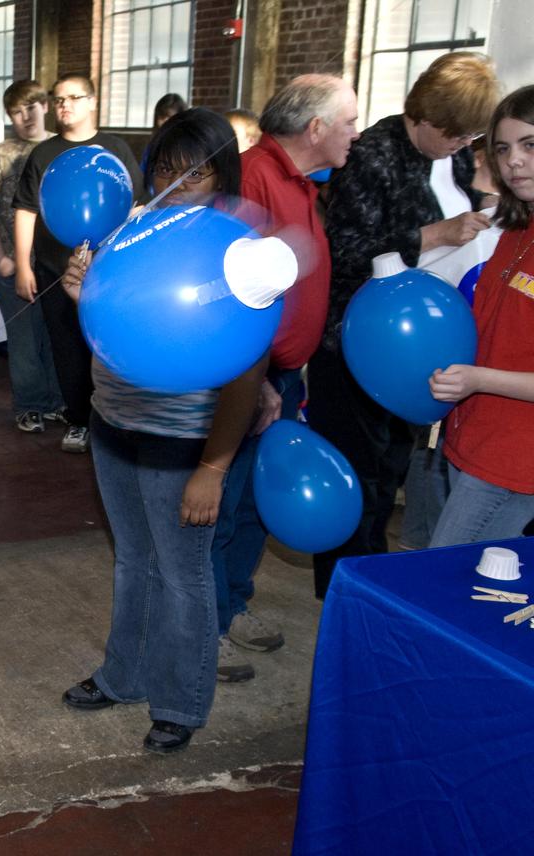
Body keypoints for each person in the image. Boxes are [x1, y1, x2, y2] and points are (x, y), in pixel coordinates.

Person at [59, 110, 266, 753]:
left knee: (184, 574)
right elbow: (115, 322)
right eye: (169, 169)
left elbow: (245, 375)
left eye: (197, 171)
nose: (179, 184)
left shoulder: (238, 253)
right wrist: (81, 293)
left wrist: (213, 467)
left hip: (184, 440)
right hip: (114, 421)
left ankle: (179, 700)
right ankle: (124, 676)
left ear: (222, 177)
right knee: (132, 562)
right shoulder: (131, 230)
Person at [309, 51, 500, 598]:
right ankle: (349, 588)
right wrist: (436, 235)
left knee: (390, 469)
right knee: (354, 476)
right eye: (457, 135)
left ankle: (370, 582)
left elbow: (457, 203)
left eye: (471, 138)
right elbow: (344, 250)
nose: (466, 147)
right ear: (427, 117)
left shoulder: (453, 156)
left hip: (418, 341)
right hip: (357, 339)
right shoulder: (371, 155)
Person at [209, 76, 361, 681]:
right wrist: (261, 381)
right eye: (348, 121)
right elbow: (228, 288)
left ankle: (232, 602)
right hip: (251, 377)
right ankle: (207, 623)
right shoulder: (252, 177)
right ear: (316, 128)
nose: (356, 131)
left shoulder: (302, 182)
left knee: (252, 503)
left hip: (283, 375)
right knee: (219, 504)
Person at [12, 73, 143, 454]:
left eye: (73, 97)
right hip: (57, 273)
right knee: (67, 348)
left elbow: (136, 206)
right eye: (58, 99)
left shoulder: (115, 148)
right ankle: (78, 420)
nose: (64, 105)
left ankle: (115, 421)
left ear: (92, 101)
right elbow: (25, 211)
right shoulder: (43, 153)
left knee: (106, 347)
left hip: (110, 273)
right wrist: (24, 264)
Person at [426, 86, 534, 546]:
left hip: (515, 461)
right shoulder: (511, 231)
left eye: (531, 146)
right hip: (469, 438)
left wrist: (478, 380)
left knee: (444, 587)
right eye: (504, 148)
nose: (513, 162)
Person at [0, 79, 64, 435]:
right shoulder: (0, 153)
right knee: (24, 339)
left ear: (45, 105)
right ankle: (30, 405)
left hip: (57, 261)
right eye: (16, 110)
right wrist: (0, 258)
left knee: (59, 337)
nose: (26, 116)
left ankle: (59, 401)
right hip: (13, 260)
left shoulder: (62, 148)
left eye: (31, 106)